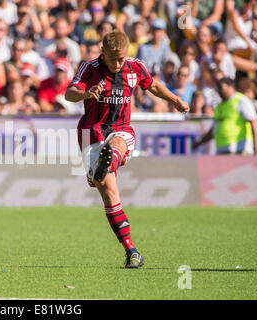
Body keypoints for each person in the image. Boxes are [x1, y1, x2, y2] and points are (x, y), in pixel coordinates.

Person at [65, 30, 189, 268]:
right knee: (109, 193)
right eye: (114, 59)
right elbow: (69, 93)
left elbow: (152, 85)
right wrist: (86, 93)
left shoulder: (134, 67)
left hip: (121, 129)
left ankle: (104, 164)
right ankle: (131, 251)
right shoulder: (89, 68)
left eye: (122, 58)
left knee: (116, 145)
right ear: (103, 53)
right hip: (92, 134)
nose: (119, 63)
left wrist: (174, 100)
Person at [193, 77, 257, 155]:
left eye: (221, 87)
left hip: (239, 149)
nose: (219, 90)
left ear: (231, 86)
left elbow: (253, 122)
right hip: (222, 149)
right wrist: (200, 142)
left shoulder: (241, 100)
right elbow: (214, 129)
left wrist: (256, 144)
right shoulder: (219, 106)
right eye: (217, 88)